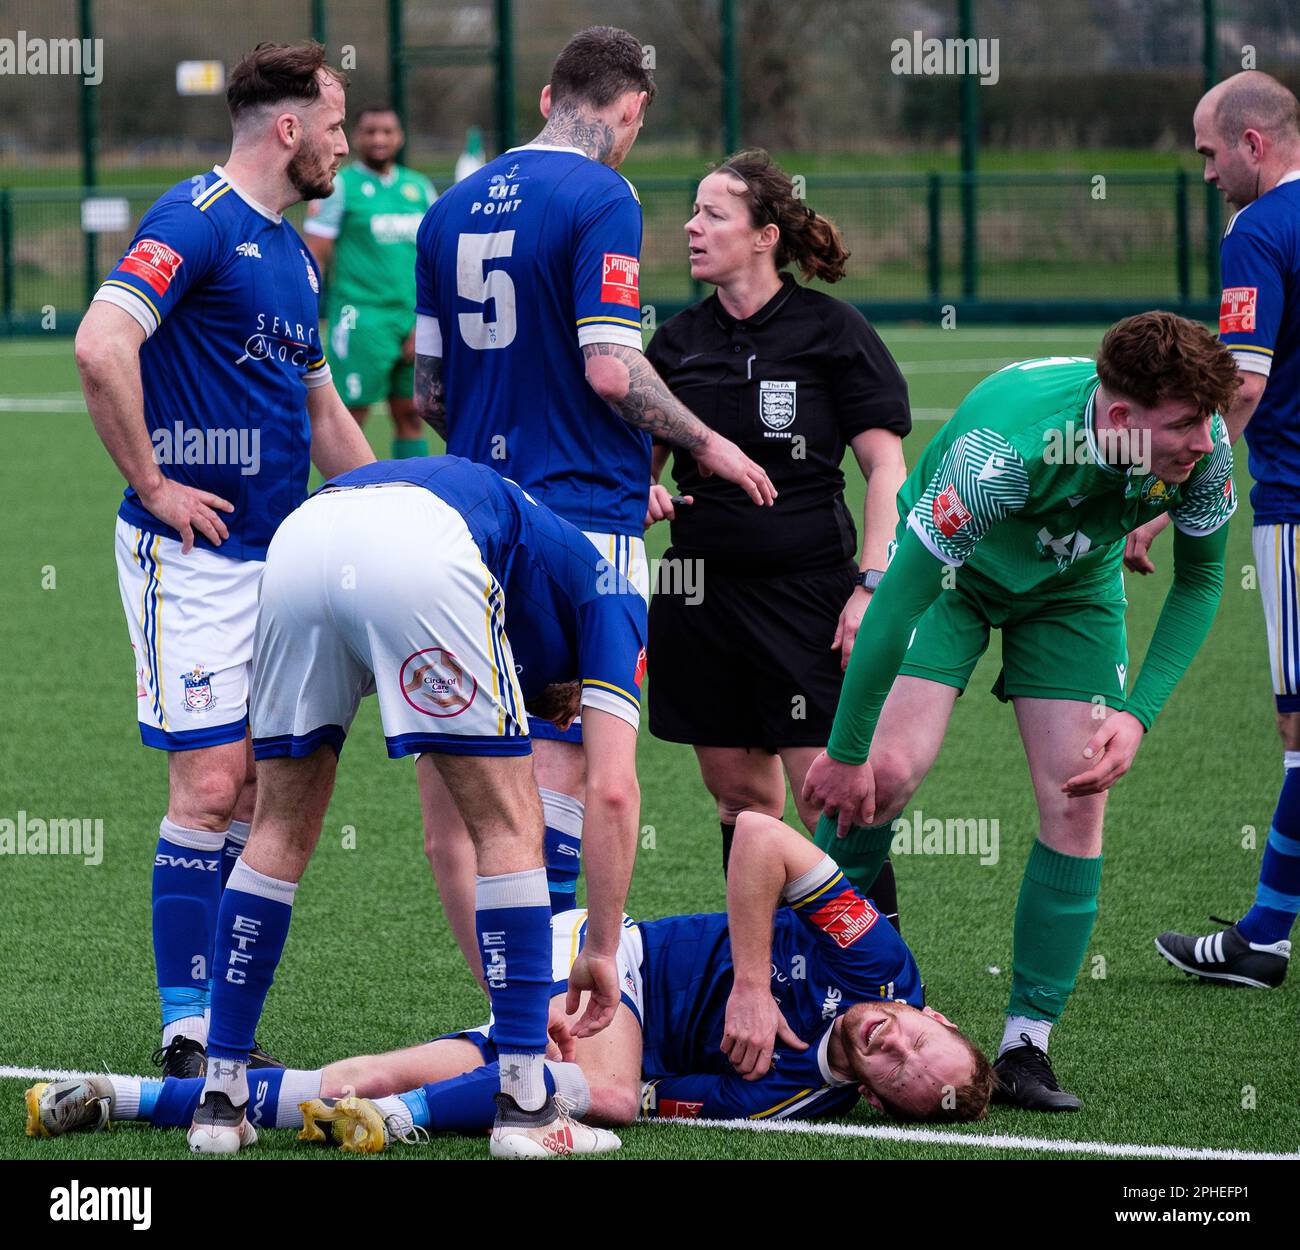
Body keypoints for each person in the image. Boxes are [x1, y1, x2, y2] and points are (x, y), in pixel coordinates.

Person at [802, 312, 1240, 1110]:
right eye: (1181, 426)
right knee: (883, 778)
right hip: (952, 581)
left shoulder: (1203, 444)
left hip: (1072, 589)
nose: (1204, 444)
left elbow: (1203, 581)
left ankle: (1026, 1044)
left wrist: (1136, 713)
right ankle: (809, 977)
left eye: (1206, 423)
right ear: (1118, 421)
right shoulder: (1001, 455)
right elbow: (899, 600)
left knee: (1079, 800)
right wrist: (846, 747)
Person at [411, 26, 775, 977]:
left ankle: (505, 1009)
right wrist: (710, 443)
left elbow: (431, 397)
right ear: (633, 109)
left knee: (471, 795)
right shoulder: (603, 194)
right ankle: (555, 1020)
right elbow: (612, 370)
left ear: (545, 96)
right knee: (574, 775)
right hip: (581, 526)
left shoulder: (444, 209)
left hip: (471, 520)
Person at [27, 813, 994, 1153]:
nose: (893, 1040)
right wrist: (749, 983)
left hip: (588, 1027)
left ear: (874, 1096)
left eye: (899, 1070)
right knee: (600, 1097)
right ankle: (409, 1127)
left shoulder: (795, 1105)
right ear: (928, 1010)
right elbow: (757, 836)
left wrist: (568, 1054)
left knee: (358, 1074)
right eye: (916, 1035)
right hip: (610, 962)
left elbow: (657, 1100)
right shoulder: (881, 963)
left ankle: (118, 1098)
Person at [185, 455, 645, 1159]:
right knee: (512, 823)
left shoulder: (515, 569)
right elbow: (612, 789)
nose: (560, 718)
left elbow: (444, 838)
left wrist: (509, 996)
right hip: (417, 545)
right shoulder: (617, 599)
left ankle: (221, 1102)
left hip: (303, 539)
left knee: (276, 828)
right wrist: (603, 948)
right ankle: (526, 1111)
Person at [73, 42, 374, 1081]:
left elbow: (322, 409)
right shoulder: (192, 221)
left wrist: (389, 514)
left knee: (255, 795)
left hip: (278, 559)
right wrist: (155, 482)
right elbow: (99, 341)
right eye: (336, 124)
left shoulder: (293, 254)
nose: (346, 142)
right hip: (187, 559)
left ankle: (221, 1020)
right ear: (288, 129)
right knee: (208, 787)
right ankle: (186, 1025)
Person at [643, 149, 910, 907]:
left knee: (832, 804)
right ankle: (764, 975)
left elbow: (885, 471)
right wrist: (645, 490)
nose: (691, 228)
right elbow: (641, 468)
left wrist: (870, 584)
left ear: (764, 236)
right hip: (699, 600)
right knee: (738, 805)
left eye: (712, 215)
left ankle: (874, 983)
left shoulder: (832, 330)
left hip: (808, 597)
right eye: (692, 212)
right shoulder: (675, 343)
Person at [1131, 72, 1300, 990]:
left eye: (1207, 152)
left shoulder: (1260, 231)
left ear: (1253, 143)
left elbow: (1240, 386)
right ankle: (1267, 933)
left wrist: (1163, 502)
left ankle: (1265, 936)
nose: (1204, 174)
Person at [304, 106, 437, 459]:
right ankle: (339, 503)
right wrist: (303, 311)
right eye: (370, 131)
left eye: (387, 131)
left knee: (411, 412)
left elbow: (433, 258)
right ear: (356, 138)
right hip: (360, 319)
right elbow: (315, 255)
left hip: (410, 321)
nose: (379, 139)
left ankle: (413, 499)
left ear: (400, 137)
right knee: (349, 417)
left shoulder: (418, 188)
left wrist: (425, 320)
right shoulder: (339, 187)